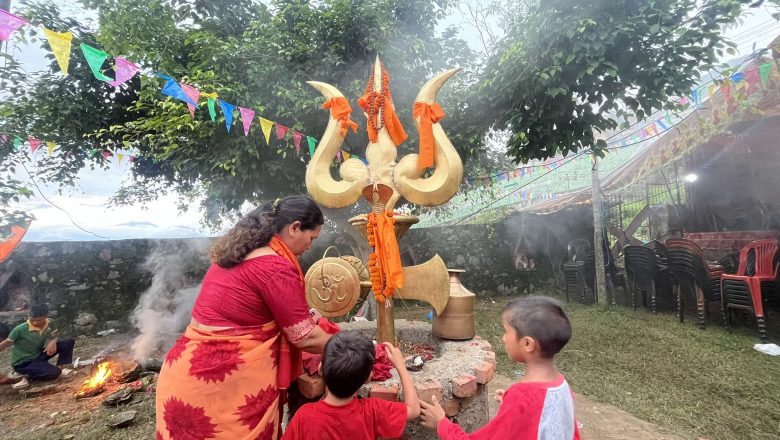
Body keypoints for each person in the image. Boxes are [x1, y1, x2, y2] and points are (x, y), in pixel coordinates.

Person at [155, 195, 333, 440]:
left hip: (183, 378)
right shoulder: (275, 268)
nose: (310, 246)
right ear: (294, 228)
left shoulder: (235, 254)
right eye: (311, 238)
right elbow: (304, 336)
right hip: (223, 389)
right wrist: (351, 347)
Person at [420, 296, 580, 440]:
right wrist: (512, 403)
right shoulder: (562, 386)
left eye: (506, 331)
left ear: (527, 344)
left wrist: (442, 424)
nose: (503, 338)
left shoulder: (521, 398)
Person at [282, 330, 419, 440]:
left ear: (320, 368)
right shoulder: (372, 411)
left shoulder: (304, 416)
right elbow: (413, 409)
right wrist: (401, 366)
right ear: (367, 378)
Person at [0, 304, 76, 387]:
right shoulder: (19, 329)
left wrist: (53, 342)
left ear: (45, 316)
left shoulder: (50, 322)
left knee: (69, 341)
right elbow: (6, 342)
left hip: (38, 355)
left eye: (39, 320)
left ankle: (61, 366)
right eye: (32, 320)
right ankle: (23, 375)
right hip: (23, 363)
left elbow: (54, 336)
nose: (35, 322)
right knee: (55, 373)